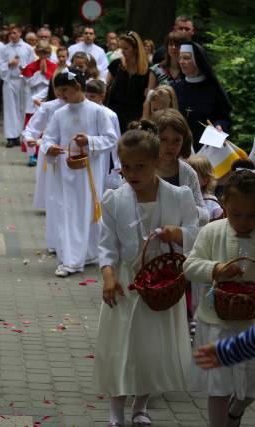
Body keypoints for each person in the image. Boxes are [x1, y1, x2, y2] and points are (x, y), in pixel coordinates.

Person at [94, 120, 199, 427]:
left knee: (153, 347)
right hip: (127, 281)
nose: (132, 174)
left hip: (163, 280)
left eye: (140, 166)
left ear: (156, 163)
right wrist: (109, 276)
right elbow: (107, 245)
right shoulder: (114, 199)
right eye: (126, 167)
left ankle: (142, 405)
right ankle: (116, 408)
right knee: (121, 346)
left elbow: (195, 231)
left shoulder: (179, 196)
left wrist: (177, 232)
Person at [183, 163, 255, 427]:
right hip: (217, 323)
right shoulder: (212, 231)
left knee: (249, 385)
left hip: (251, 325)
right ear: (224, 205)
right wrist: (217, 268)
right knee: (219, 386)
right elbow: (189, 266)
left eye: (252, 215)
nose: (244, 222)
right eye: (237, 214)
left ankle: (238, 409)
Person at [40, 69, 118, 277]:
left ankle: (89, 254)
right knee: (68, 213)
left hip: (89, 173)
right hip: (64, 174)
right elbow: (47, 138)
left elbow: (111, 139)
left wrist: (90, 141)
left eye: (65, 90)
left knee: (88, 213)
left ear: (77, 87)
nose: (62, 95)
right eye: (58, 91)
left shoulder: (98, 112)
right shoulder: (59, 113)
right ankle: (71, 260)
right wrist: (50, 148)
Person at [173, 42, 232, 151]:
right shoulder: (175, 88)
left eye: (186, 58)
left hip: (207, 149)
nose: (181, 62)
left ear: (197, 60)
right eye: (180, 58)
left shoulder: (213, 89)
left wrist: (220, 126)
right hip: (178, 147)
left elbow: (224, 117)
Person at [21, 87, 65, 210]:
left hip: (73, 152)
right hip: (51, 149)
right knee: (50, 180)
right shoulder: (49, 107)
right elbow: (32, 128)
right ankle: (50, 204)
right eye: (62, 89)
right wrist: (30, 139)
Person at [0, 25, 36, 148]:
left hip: (23, 82)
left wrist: (23, 68)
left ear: (20, 33)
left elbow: (32, 65)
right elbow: (0, 64)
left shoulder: (28, 48)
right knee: (10, 109)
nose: (12, 35)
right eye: (10, 33)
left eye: (14, 33)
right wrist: (9, 64)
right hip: (10, 81)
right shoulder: (5, 49)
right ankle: (10, 136)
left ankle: (20, 135)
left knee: (22, 109)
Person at [21, 41, 57, 165]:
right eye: (40, 53)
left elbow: (54, 84)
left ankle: (44, 152)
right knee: (31, 128)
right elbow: (28, 83)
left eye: (45, 53)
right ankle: (31, 155)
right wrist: (40, 73)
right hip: (32, 100)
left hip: (47, 100)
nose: (43, 56)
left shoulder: (54, 66)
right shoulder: (30, 66)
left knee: (46, 128)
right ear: (36, 52)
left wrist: (45, 73)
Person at [106, 31, 149, 133]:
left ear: (135, 49)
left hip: (135, 115)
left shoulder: (147, 70)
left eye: (126, 48)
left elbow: (147, 97)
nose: (122, 52)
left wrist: (144, 119)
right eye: (121, 48)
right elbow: (106, 86)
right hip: (114, 112)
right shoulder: (116, 64)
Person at [187, 155, 224, 221]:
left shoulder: (211, 201)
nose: (187, 179)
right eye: (185, 175)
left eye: (192, 176)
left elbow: (220, 219)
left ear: (205, 180)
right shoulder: (181, 198)